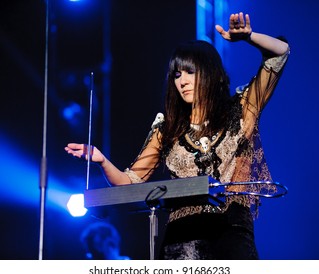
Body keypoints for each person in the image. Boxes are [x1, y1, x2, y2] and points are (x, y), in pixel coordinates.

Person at [65, 12, 290, 259]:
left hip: (231, 237)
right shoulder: (167, 129)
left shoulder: (241, 112)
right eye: (177, 74)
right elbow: (129, 183)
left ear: (211, 73)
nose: (182, 81)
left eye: (190, 72)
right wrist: (102, 160)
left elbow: (280, 54)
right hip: (181, 242)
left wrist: (248, 37)